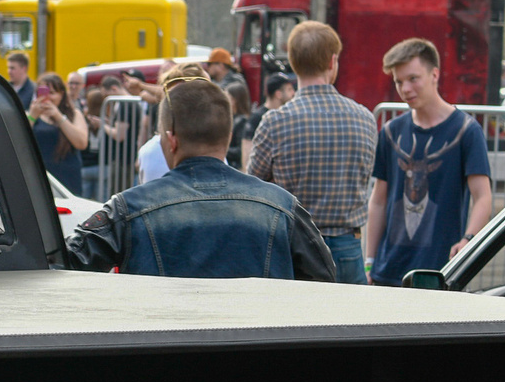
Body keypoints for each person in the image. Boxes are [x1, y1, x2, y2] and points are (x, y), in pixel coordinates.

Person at [62, 72, 335, 280]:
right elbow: (324, 278)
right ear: (228, 137)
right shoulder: (282, 207)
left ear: (170, 140)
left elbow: (64, 264)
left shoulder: (126, 209)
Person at [242, 20, 378, 282]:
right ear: (332, 61)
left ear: (293, 63)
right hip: (347, 245)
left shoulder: (274, 121)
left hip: (294, 246)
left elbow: (255, 186)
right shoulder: (365, 118)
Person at [361, 38, 494, 287]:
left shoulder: (466, 130)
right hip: (388, 271)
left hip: (440, 269)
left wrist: (468, 239)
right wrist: (369, 260)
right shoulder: (391, 131)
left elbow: (483, 197)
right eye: (399, 81)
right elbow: (378, 200)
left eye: (413, 78)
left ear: (435, 74)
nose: (405, 88)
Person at [30, 74, 89, 191]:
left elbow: (81, 143)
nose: (47, 98)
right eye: (42, 93)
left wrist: (59, 117)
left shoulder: (74, 114)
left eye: (51, 93)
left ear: (61, 94)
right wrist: (32, 116)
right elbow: (16, 140)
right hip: (41, 178)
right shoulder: (32, 115)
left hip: (67, 178)